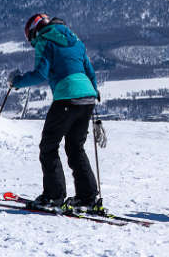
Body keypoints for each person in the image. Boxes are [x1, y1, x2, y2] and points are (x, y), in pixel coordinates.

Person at [8, 13, 101, 211]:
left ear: (35, 30)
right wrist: (93, 94)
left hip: (67, 97)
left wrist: (17, 82)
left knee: (49, 146)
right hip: (88, 98)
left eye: (30, 37)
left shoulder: (45, 41)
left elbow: (40, 74)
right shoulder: (76, 41)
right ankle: (88, 197)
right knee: (76, 147)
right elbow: (90, 72)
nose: (32, 41)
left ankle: (54, 196)